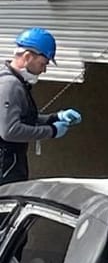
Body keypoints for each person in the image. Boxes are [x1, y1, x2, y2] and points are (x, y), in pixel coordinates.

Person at [0, 29, 81, 185]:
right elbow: (10, 131)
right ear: (28, 57)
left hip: (10, 163)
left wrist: (55, 117)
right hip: (5, 168)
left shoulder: (15, 82)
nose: (44, 70)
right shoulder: (10, 86)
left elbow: (25, 118)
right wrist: (51, 131)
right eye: (43, 64)